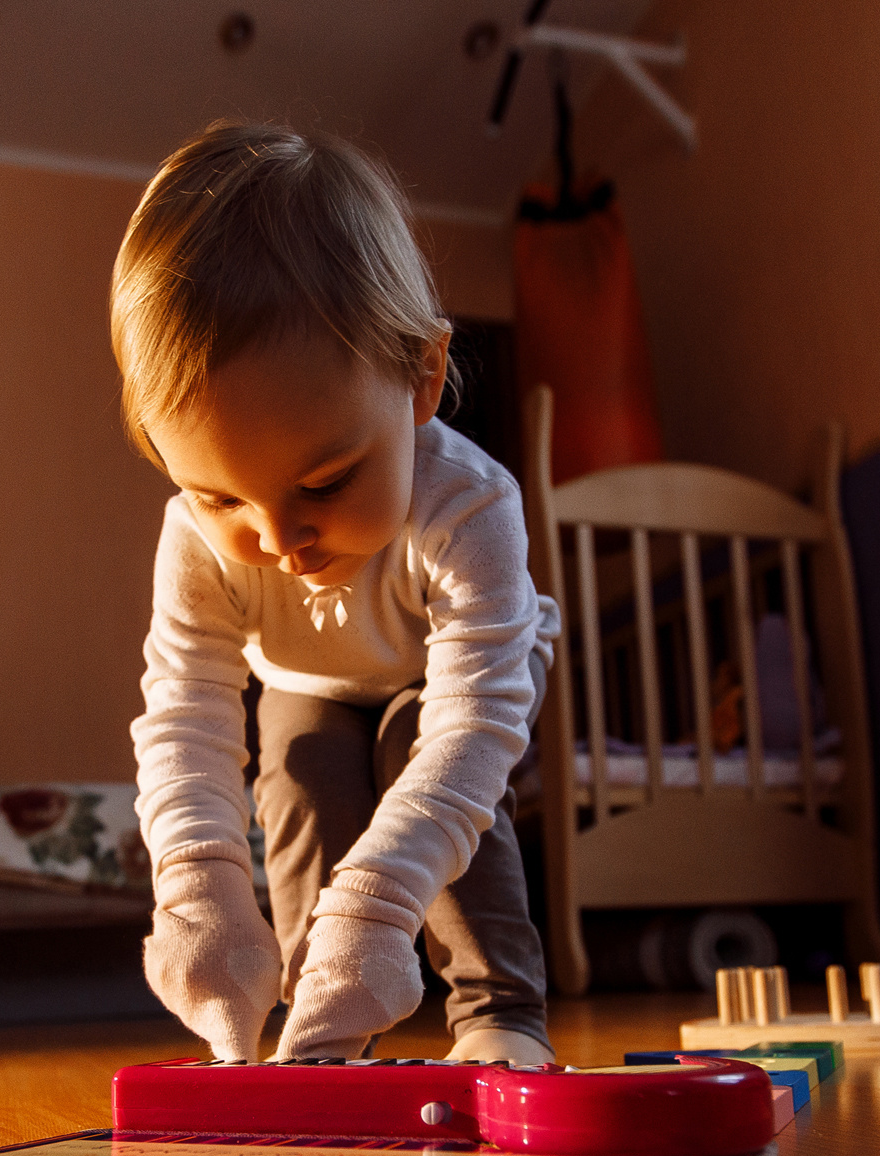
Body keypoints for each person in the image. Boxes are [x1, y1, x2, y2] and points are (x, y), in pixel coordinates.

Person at [116, 121, 559, 1066]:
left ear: (421, 379)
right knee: (303, 758)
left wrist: (382, 902)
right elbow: (186, 718)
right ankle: (318, 1022)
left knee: (416, 747)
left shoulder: (472, 506)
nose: (278, 541)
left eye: (324, 482)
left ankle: (501, 1012)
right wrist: (199, 893)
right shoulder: (194, 542)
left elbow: (471, 728)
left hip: (461, 685)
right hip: (313, 679)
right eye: (220, 497)